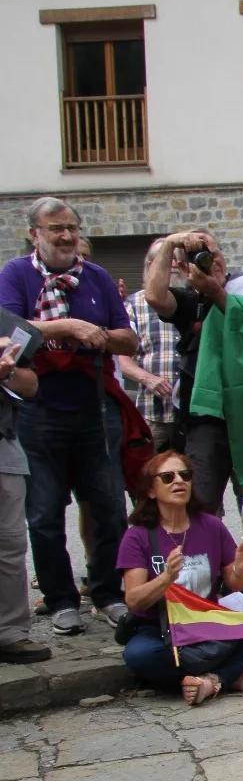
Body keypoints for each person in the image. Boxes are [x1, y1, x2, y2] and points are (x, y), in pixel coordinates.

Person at [0, 197, 136, 636]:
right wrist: (66, 327)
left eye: (72, 228)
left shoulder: (95, 276)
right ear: (34, 234)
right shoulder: (15, 275)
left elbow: (128, 340)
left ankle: (109, 594)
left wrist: (102, 336)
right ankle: (60, 600)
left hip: (95, 407)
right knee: (43, 513)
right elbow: (9, 334)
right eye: (55, 228)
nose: (66, 236)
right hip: (37, 411)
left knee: (109, 506)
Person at [143, 229, 243, 555]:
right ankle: (206, 575)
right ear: (184, 268)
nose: (212, 261)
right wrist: (169, 245)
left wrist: (215, 291)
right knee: (200, 500)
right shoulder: (191, 301)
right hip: (204, 417)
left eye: (213, 253)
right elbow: (154, 295)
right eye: (201, 256)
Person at [116, 451, 243, 705]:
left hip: (209, 620)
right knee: (139, 655)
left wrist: (240, 569)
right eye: (167, 477)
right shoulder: (138, 536)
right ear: (151, 490)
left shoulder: (211, 525)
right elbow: (134, 600)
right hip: (162, 630)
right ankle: (230, 674)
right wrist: (166, 579)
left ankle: (213, 680)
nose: (178, 481)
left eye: (185, 475)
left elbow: (234, 585)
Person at [0, 337, 49, 664]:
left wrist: (6, 372)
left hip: (4, 447)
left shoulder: (5, 325)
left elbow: (30, 384)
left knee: (10, 545)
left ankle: (10, 634)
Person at [118, 239, 183, 459]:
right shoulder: (133, 305)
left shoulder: (198, 302)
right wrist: (148, 378)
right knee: (146, 477)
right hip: (153, 411)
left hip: (192, 415)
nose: (173, 264)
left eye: (177, 259)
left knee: (191, 481)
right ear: (149, 265)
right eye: (166, 258)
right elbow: (123, 360)